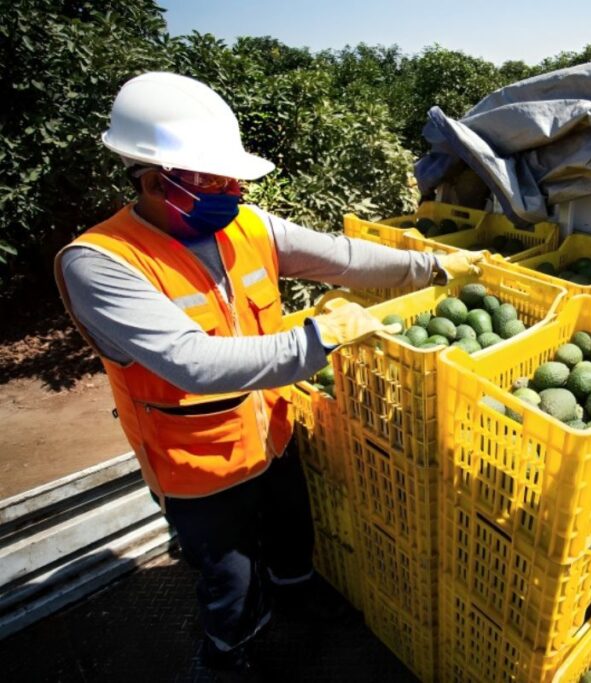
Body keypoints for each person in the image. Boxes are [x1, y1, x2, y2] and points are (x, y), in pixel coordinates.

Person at [53, 72, 482, 672]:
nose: (231, 190)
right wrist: (320, 337)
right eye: (212, 179)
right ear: (153, 178)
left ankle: (298, 597)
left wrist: (434, 267)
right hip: (199, 463)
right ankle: (228, 656)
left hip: (273, 431)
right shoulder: (100, 263)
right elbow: (193, 363)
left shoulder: (250, 226)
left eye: (232, 177)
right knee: (230, 580)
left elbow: (348, 259)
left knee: (290, 537)